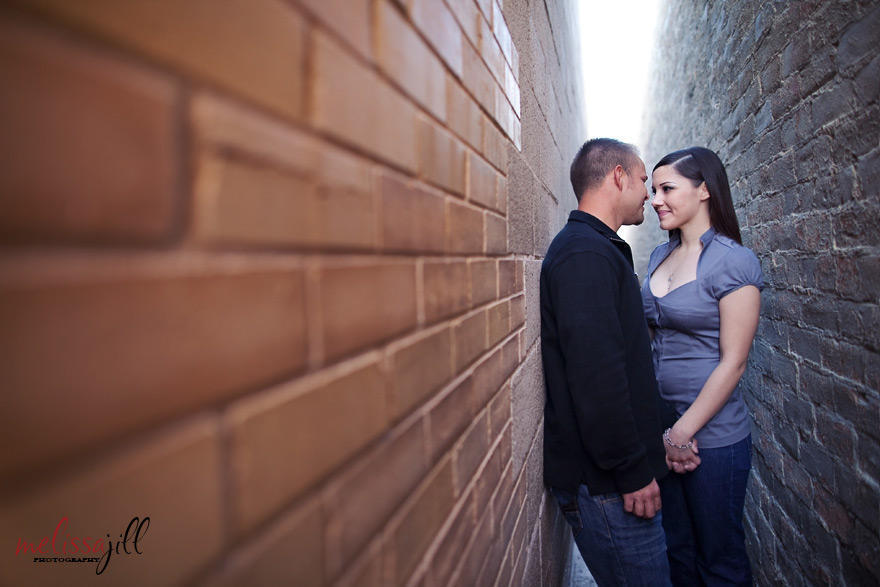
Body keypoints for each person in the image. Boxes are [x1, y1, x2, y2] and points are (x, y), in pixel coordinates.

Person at [541, 138, 671, 586]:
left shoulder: (595, 249)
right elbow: (598, 379)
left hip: (613, 483)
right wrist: (633, 471)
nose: (649, 196)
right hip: (608, 488)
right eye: (642, 181)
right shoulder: (584, 254)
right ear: (618, 176)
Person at [642, 147, 763, 586]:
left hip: (712, 441)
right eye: (653, 189)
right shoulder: (658, 256)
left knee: (720, 560)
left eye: (667, 188)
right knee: (679, 552)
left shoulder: (733, 261)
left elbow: (734, 362)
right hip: (665, 431)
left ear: (705, 190)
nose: (655, 199)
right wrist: (662, 430)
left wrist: (682, 434)